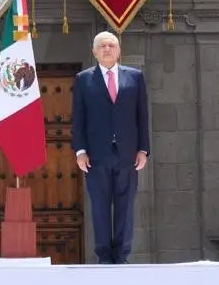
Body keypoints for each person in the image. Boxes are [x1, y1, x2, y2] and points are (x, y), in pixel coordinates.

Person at [71, 30, 150, 264]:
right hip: (96, 155)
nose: (107, 49)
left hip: (127, 153)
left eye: (111, 45)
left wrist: (143, 149)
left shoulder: (135, 77)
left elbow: (142, 115)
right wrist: (80, 150)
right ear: (94, 52)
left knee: (125, 207)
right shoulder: (83, 79)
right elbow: (78, 117)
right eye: (102, 46)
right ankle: (104, 256)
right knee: (100, 206)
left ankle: (122, 256)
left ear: (119, 51)